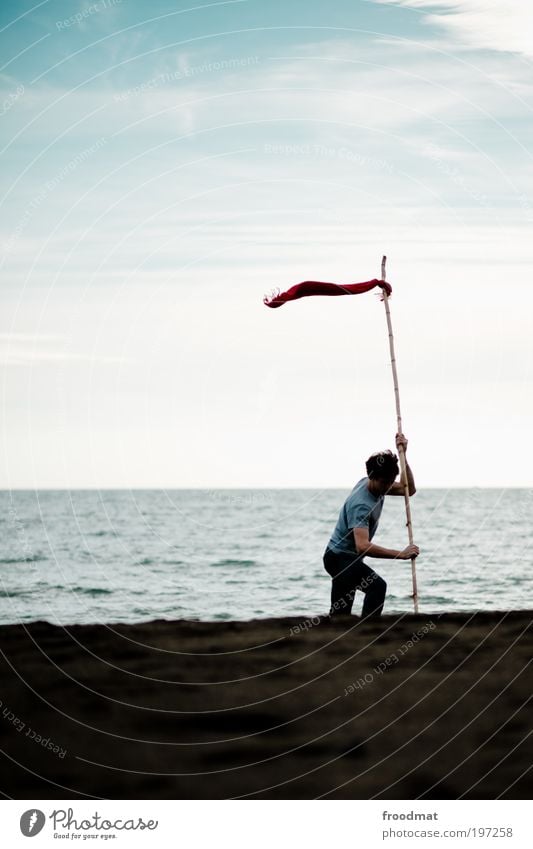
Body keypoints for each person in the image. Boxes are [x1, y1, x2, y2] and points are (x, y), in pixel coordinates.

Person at [323, 432, 419, 619]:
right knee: (377, 587)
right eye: (384, 483)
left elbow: (410, 489)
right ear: (372, 477)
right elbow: (363, 546)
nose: (388, 487)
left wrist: (403, 455)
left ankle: (335, 638)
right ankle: (369, 632)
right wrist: (401, 554)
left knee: (340, 614)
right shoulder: (361, 505)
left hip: (346, 559)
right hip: (339, 558)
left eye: (391, 482)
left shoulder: (379, 482)